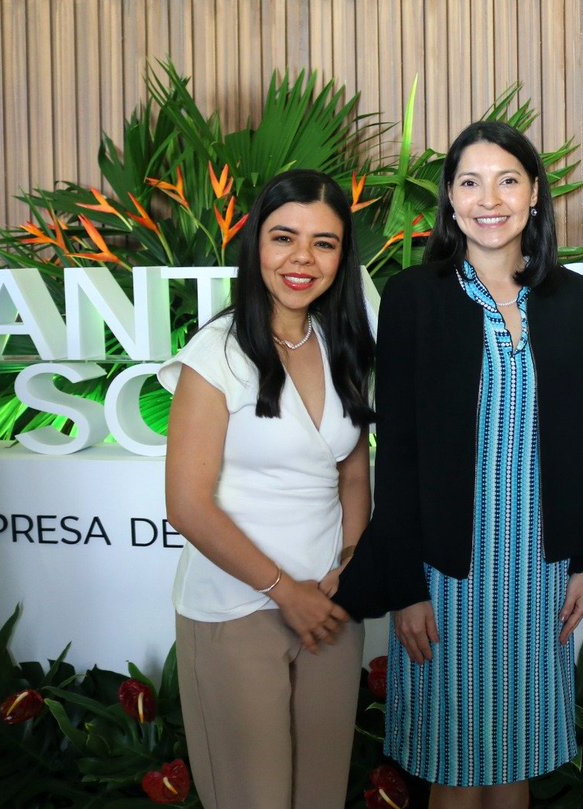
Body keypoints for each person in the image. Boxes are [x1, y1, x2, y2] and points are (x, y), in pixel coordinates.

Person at [334, 121, 583, 809]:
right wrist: (405, 586)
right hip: (444, 572)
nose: (490, 197)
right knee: (456, 764)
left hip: (537, 569)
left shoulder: (569, 298)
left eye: (508, 179)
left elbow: (580, 437)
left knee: (515, 758)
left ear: (536, 195)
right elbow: (392, 454)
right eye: (470, 181)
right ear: (451, 203)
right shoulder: (413, 297)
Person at [159, 169, 375, 809]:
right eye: (285, 237)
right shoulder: (217, 352)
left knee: (319, 796)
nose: (302, 259)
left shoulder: (343, 345)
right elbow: (187, 505)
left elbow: (353, 469)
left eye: (324, 243)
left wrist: (352, 562)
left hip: (331, 606)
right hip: (237, 608)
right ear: (256, 245)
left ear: (342, 256)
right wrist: (286, 594)